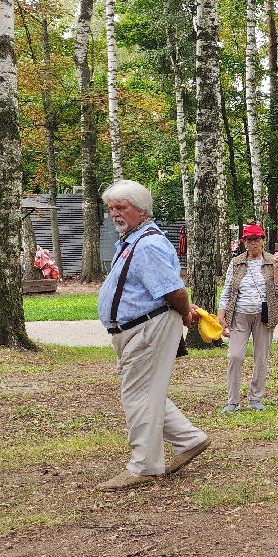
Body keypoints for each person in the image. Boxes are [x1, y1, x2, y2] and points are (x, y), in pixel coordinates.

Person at [96, 180, 210, 490]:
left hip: (147, 327)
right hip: (136, 327)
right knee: (146, 391)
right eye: (111, 208)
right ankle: (189, 440)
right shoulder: (133, 241)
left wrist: (185, 313)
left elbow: (175, 290)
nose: (115, 213)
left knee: (138, 394)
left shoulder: (147, 244)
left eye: (122, 207)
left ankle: (144, 466)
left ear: (142, 210)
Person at [218, 223, 278, 413]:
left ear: (263, 240)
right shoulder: (236, 262)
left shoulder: (272, 260)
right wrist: (221, 315)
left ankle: (256, 398)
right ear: (244, 242)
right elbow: (227, 290)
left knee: (261, 357)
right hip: (239, 314)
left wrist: (276, 269)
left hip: (264, 315)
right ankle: (232, 401)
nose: (253, 243)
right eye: (249, 240)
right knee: (235, 356)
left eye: (256, 239)